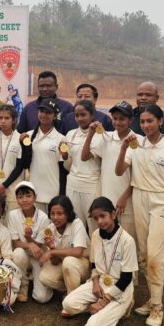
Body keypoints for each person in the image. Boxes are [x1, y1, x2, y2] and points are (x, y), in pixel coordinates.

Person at [115, 103, 164, 326]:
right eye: (143, 122)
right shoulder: (136, 145)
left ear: (160, 121)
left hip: (162, 202)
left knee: (156, 256)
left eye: (150, 121)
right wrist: (124, 149)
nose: (146, 126)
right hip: (140, 199)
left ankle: (157, 307)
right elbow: (119, 171)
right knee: (144, 255)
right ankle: (152, 299)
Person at [60, 197, 138, 326]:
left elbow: (126, 278)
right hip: (100, 283)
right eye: (96, 218)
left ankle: (124, 305)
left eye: (103, 216)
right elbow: (94, 264)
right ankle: (104, 308)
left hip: (120, 288)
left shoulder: (127, 241)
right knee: (68, 304)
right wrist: (95, 282)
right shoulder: (95, 234)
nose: (100, 221)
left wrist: (104, 301)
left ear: (113, 214)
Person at [82, 101, 140, 251]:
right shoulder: (106, 137)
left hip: (127, 201)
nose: (118, 122)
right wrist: (90, 133)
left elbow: (139, 175)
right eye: (115, 118)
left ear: (130, 120)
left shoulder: (138, 141)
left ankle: (130, 274)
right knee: (108, 241)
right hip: (107, 197)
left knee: (128, 241)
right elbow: (85, 156)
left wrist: (125, 196)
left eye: (122, 119)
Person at [36, 196, 90, 304]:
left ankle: (73, 298)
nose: (55, 217)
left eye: (60, 214)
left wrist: (51, 252)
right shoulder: (50, 229)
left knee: (69, 261)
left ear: (68, 213)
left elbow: (78, 252)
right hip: (64, 264)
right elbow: (55, 262)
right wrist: (51, 247)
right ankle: (74, 290)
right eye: (52, 213)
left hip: (84, 265)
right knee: (44, 277)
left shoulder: (76, 223)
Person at [5, 182, 52, 303]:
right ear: (16, 199)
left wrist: (30, 239)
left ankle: (37, 278)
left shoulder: (43, 217)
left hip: (38, 257)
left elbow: (40, 246)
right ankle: (23, 284)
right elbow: (15, 243)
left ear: (35, 197)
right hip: (22, 256)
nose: (24, 200)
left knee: (42, 298)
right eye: (20, 197)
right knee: (18, 253)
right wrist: (29, 243)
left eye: (28, 196)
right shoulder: (13, 215)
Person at [63, 100, 102, 233]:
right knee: (76, 223)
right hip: (72, 183)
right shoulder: (70, 134)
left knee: (93, 223)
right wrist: (64, 156)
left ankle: (96, 253)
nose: (79, 118)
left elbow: (85, 157)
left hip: (91, 184)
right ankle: (79, 252)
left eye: (83, 115)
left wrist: (91, 133)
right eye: (77, 115)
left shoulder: (100, 135)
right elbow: (68, 165)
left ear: (92, 115)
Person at [0, 104, 31, 210]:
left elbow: (20, 167)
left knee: (12, 221)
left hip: (12, 187)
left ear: (14, 120)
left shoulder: (20, 138)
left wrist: (4, 186)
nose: (3, 121)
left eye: (7, 118)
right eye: (0, 118)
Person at [21, 98, 65, 213]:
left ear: (55, 116)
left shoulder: (61, 139)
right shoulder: (28, 136)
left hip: (53, 193)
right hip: (34, 192)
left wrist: (61, 194)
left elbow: (64, 169)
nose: (44, 115)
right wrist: (23, 145)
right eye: (41, 111)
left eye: (48, 112)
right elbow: (24, 164)